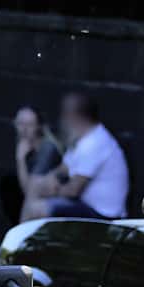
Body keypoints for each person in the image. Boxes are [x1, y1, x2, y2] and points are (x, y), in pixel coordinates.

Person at [23, 91, 128, 221]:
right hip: (84, 205)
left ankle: (21, 233)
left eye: (65, 114)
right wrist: (44, 182)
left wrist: (53, 190)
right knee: (36, 187)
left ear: (75, 116)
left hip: (103, 215)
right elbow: (63, 169)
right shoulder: (82, 139)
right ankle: (18, 233)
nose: (62, 119)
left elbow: (74, 190)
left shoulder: (96, 142)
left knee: (37, 209)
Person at [0, 105, 62, 227]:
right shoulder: (28, 147)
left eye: (29, 124)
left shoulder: (47, 148)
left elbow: (29, 191)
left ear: (38, 127)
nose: (24, 129)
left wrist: (20, 159)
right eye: (20, 124)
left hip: (55, 198)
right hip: (38, 197)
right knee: (7, 184)